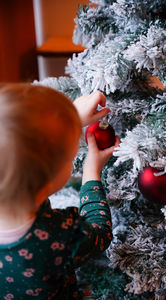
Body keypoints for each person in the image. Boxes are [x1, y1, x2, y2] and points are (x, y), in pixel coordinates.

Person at [0, 83, 120, 299]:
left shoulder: (15, 187)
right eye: (69, 156)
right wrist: (91, 172)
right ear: (48, 185)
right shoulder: (59, 234)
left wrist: (70, 119)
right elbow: (100, 232)